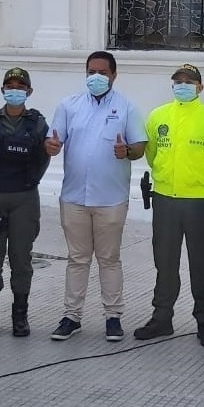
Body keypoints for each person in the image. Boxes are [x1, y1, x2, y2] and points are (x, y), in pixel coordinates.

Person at [50, 51, 148, 342]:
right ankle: (71, 317)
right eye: (91, 71)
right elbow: (54, 139)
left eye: (102, 73)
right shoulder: (69, 105)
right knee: (77, 259)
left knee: (109, 259)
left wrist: (126, 152)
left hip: (111, 199)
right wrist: (51, 146)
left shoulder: (127, 107)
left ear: (114, 76)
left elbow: (139, 145)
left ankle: (113, 317)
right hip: (74, 198)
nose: (96, 77)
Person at [134, 64, 204, 346]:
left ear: (201, 87)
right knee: (165, 262)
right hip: (165, 199)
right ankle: (162, 318)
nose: (183, 85)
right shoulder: (158, 116)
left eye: (190, 81)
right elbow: (152, 155)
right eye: (178, 81)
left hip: (199, 201)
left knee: (202, 263)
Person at [0, 67, 57, 338]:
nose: (15, 91)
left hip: (24, 198)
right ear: (2, 90)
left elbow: (43, 159)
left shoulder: (38, 124)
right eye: (10, 86)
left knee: (21, 259)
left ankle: (20, 317)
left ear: (29, 92)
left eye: (21, 87)